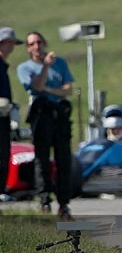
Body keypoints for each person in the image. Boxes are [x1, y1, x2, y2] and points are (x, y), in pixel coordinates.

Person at [16, 31, 76, 219]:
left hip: (59, 115)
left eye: (39, 42)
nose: (37, 47)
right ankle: (44, 200)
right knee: (41, 159)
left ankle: (64, 203)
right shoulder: (25, 68)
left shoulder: (60, 63)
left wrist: (49, 90)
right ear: (28, 48)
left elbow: (68, 90)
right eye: (32, 44)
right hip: (41, 115)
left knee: (63, 159)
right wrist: (45, 68)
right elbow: (37, 86)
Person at [0, 27, 24, 193]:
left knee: (3, 159)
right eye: (6, 43)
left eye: (12, 43)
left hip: (3, 118)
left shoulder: (3, 65)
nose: (10, 47)